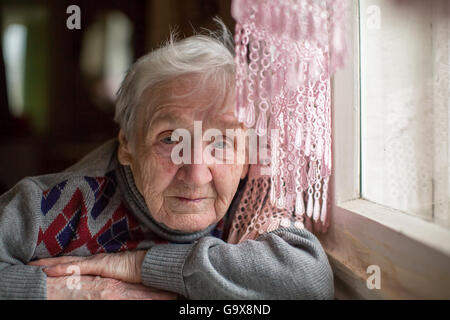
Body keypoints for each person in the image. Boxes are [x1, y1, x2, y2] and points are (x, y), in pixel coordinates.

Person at [0, 23, 334, 300]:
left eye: (221, 142)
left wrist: (138, 266)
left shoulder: (252, 202)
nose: (196, 173)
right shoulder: (50, 206)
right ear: (127, 145)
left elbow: (310, 282)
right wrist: (71, 292)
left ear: (247, 156)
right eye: (171, 139)